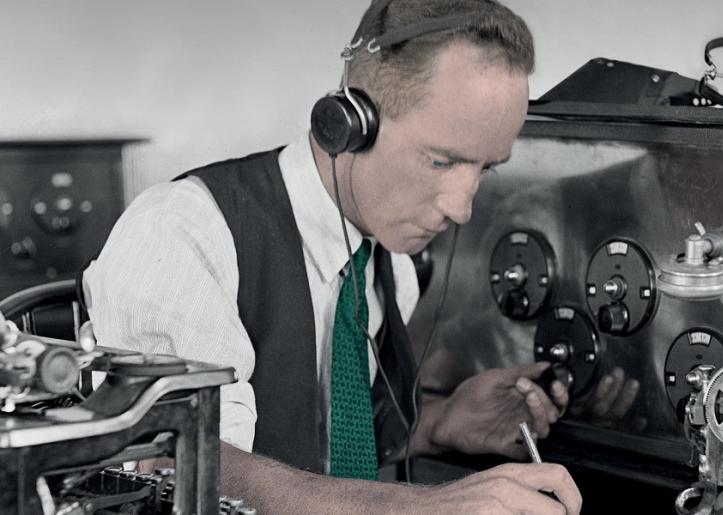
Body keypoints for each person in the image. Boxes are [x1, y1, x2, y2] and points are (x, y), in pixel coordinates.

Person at [83, 0, 585, 512]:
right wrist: (425, 507)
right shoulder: (184, 231)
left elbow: (323, 447)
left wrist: (439, 424)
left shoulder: (392, 266)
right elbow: (171, 466)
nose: (462, 208)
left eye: (486, 169)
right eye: (442, 160)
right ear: (347, 124)